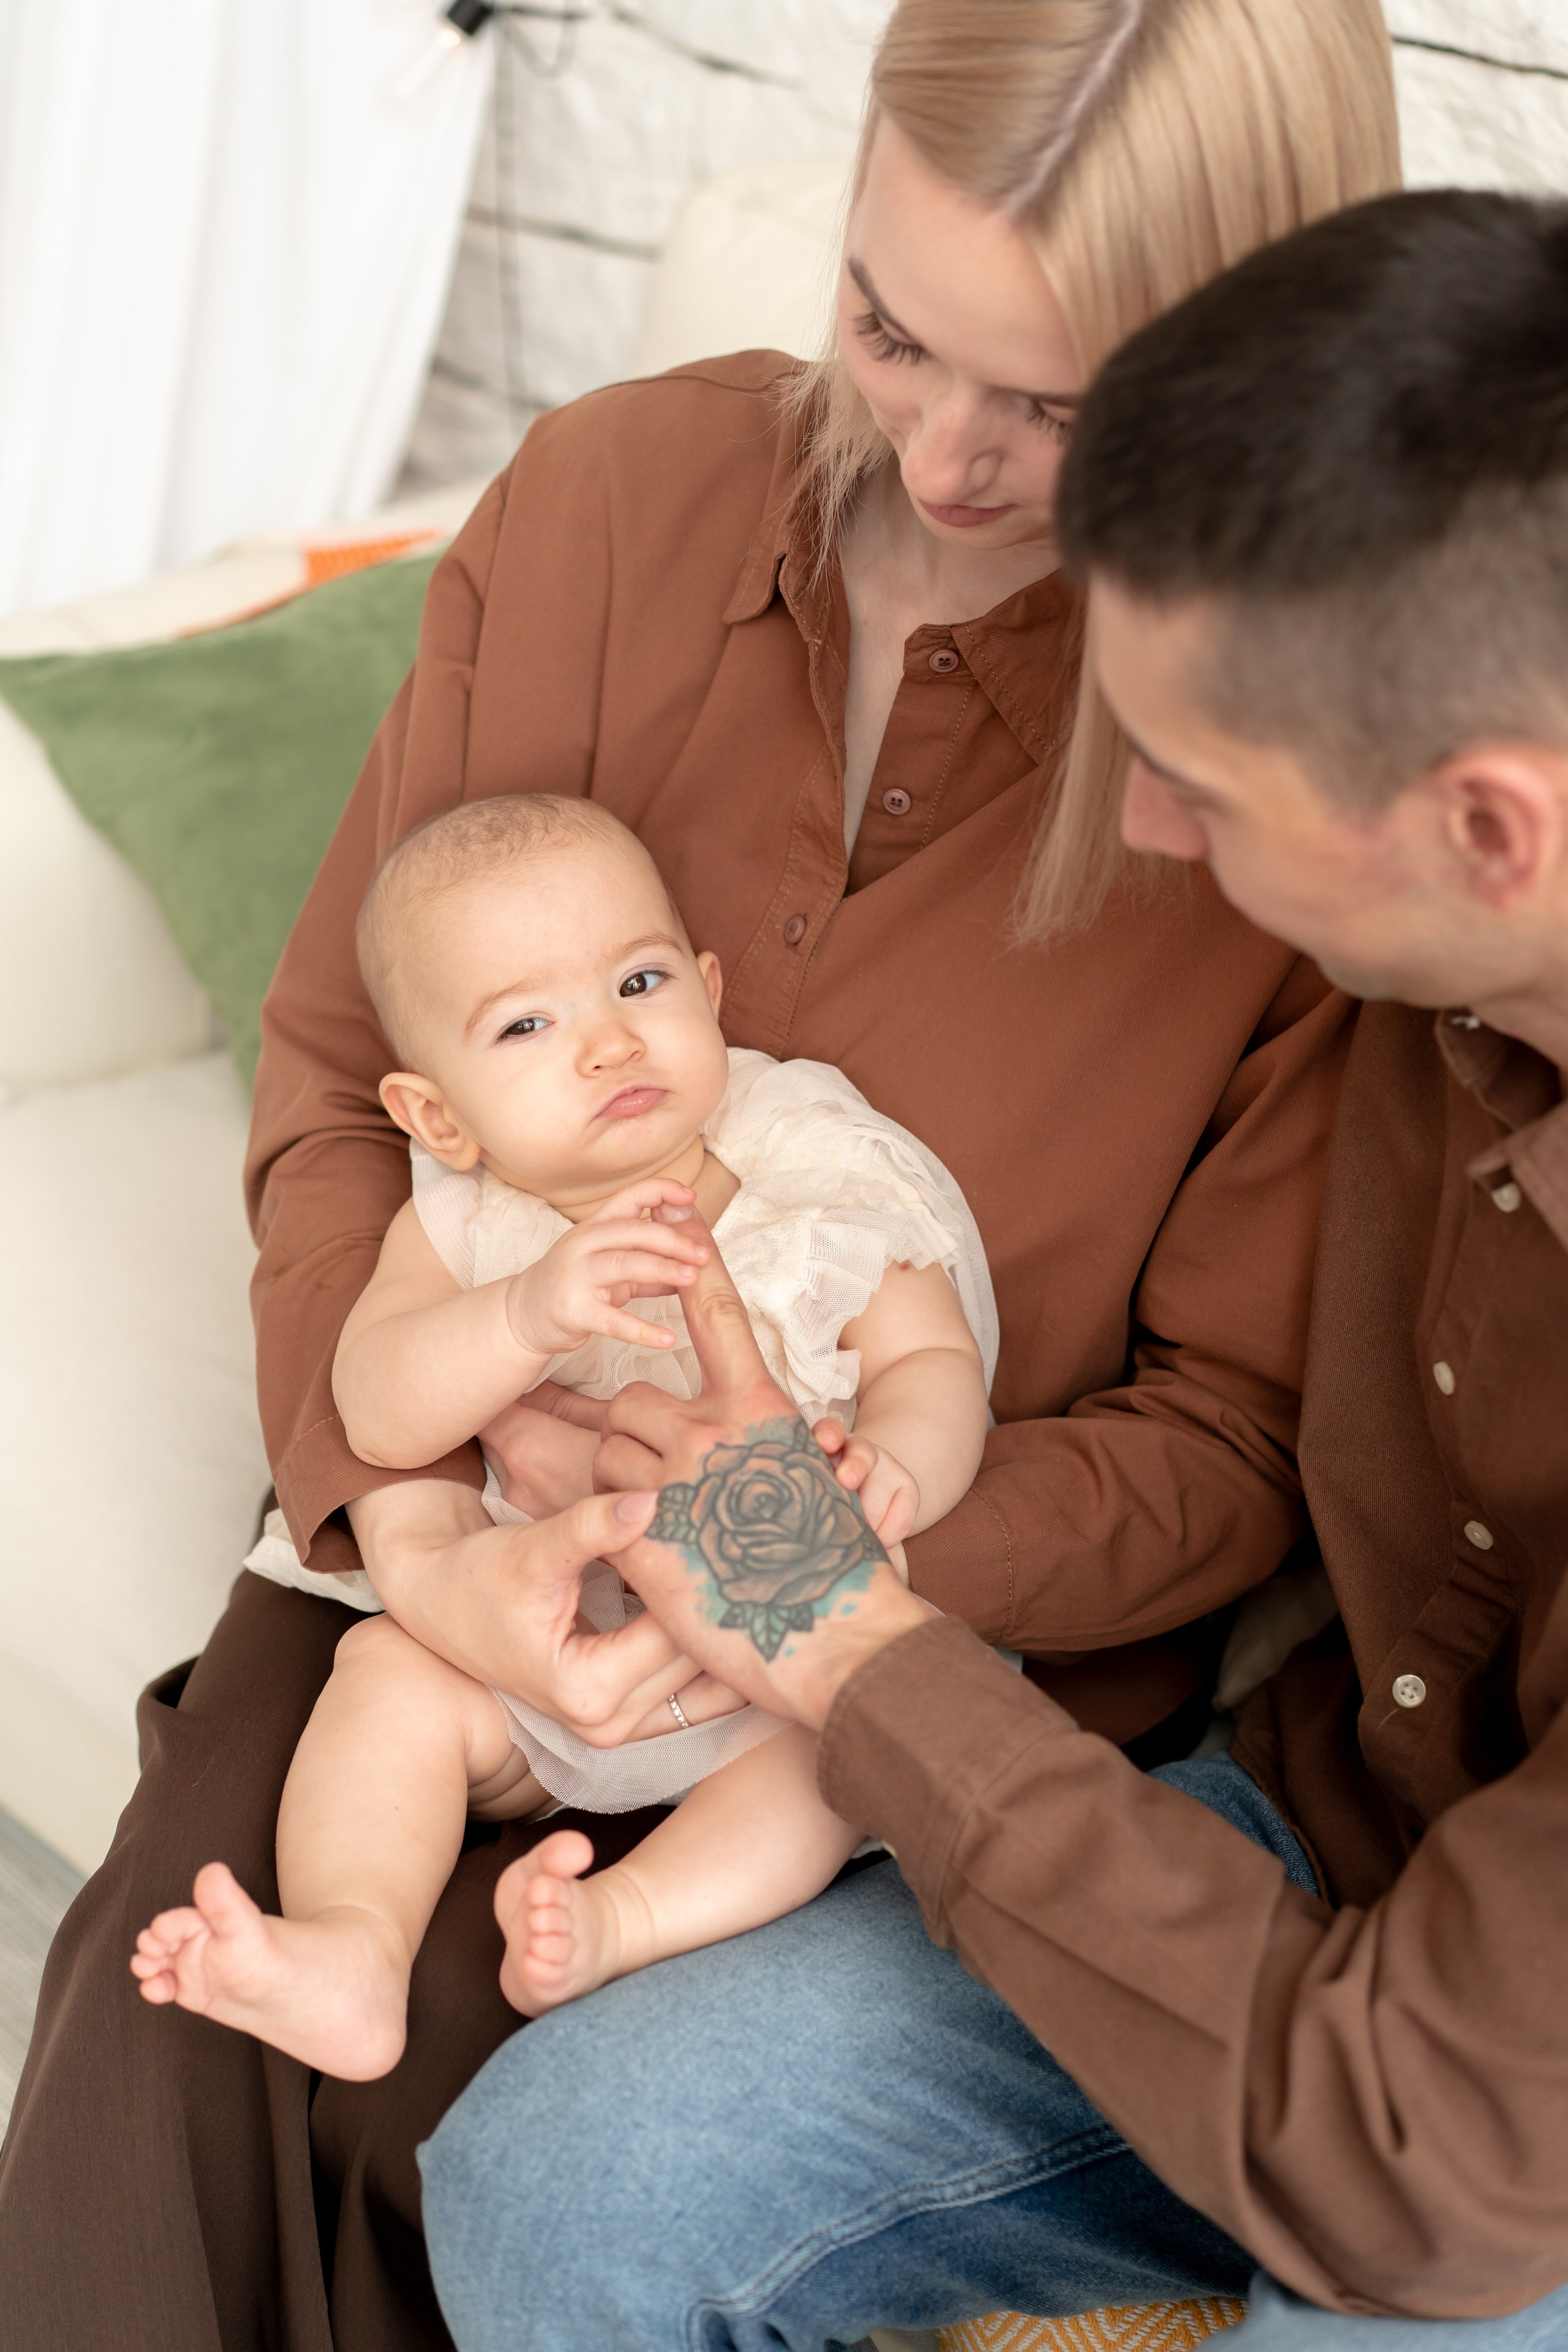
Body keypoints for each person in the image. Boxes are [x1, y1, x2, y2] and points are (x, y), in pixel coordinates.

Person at [0, 4, 1399, 2344]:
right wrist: (431, 1544)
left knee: (471, 2131)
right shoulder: (615, 501)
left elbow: (1237, 1448)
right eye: (889, 323)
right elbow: (351, 1073)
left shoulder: (1291, 761)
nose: (948, 458)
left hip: (875, 1664)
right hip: (441, 1549)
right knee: (174, 2066)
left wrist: (783, 1535)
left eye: (1060, 405)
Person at [418, 189, 1568, 2350]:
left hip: (1474, 2126)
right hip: (1351, 1816)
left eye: (1204, 784)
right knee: (560, 2190)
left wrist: (824, 1608)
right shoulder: (1454, 967)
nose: (1148, 834)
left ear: (1491, 827)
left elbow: (1423, 2164)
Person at [130, 794, 990, 2057]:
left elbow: (931, 1356)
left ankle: (619, 1921)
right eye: (527, 1023)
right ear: (439, 1117)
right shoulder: (463, 1226)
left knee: (837, 1750)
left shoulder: (814, 1170)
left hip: (774, 1647)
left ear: (705, 989)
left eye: (636, 982)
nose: (604, 1044)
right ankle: (352, 1947)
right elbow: (375, 1401)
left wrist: (895, 1472)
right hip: (534, 1651)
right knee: (386, 1681)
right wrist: (524, 1314)